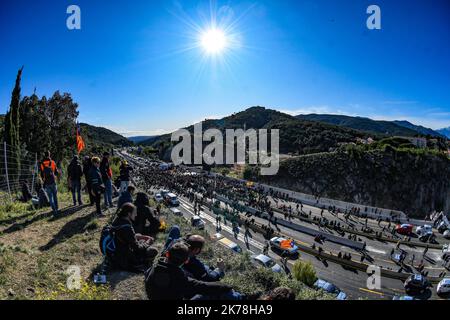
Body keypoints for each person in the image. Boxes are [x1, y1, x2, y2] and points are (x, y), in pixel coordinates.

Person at [145, 241, 239, 300]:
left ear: (167, 254)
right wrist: (227, 286)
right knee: (213, 293)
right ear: (186, 261)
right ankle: (242, 297)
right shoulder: (179, 279)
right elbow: (204, 287)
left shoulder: (155, 266)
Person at [111, 203, 158, 272]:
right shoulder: (127, 227)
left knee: (140, 237)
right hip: (125, 259)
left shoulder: (117, 220)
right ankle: (142, 263)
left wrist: (142, 237)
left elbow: (126, 236)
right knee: (154, 251)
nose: (136, 215)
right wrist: (148, 242)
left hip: (117, 252)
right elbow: (137, 248)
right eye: (134, 213)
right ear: (129, 214)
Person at [40, 151, 60, 216]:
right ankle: (57, 208)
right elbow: (56, 172)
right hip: (53, 181)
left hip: (47, 183)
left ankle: (54, 209)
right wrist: (54, 175)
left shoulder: (42, 164)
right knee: (55, 196)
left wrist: (44, 180)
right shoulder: (53, 162)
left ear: (44, 155)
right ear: (49, 155)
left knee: (50, 197)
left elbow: (42, 174)